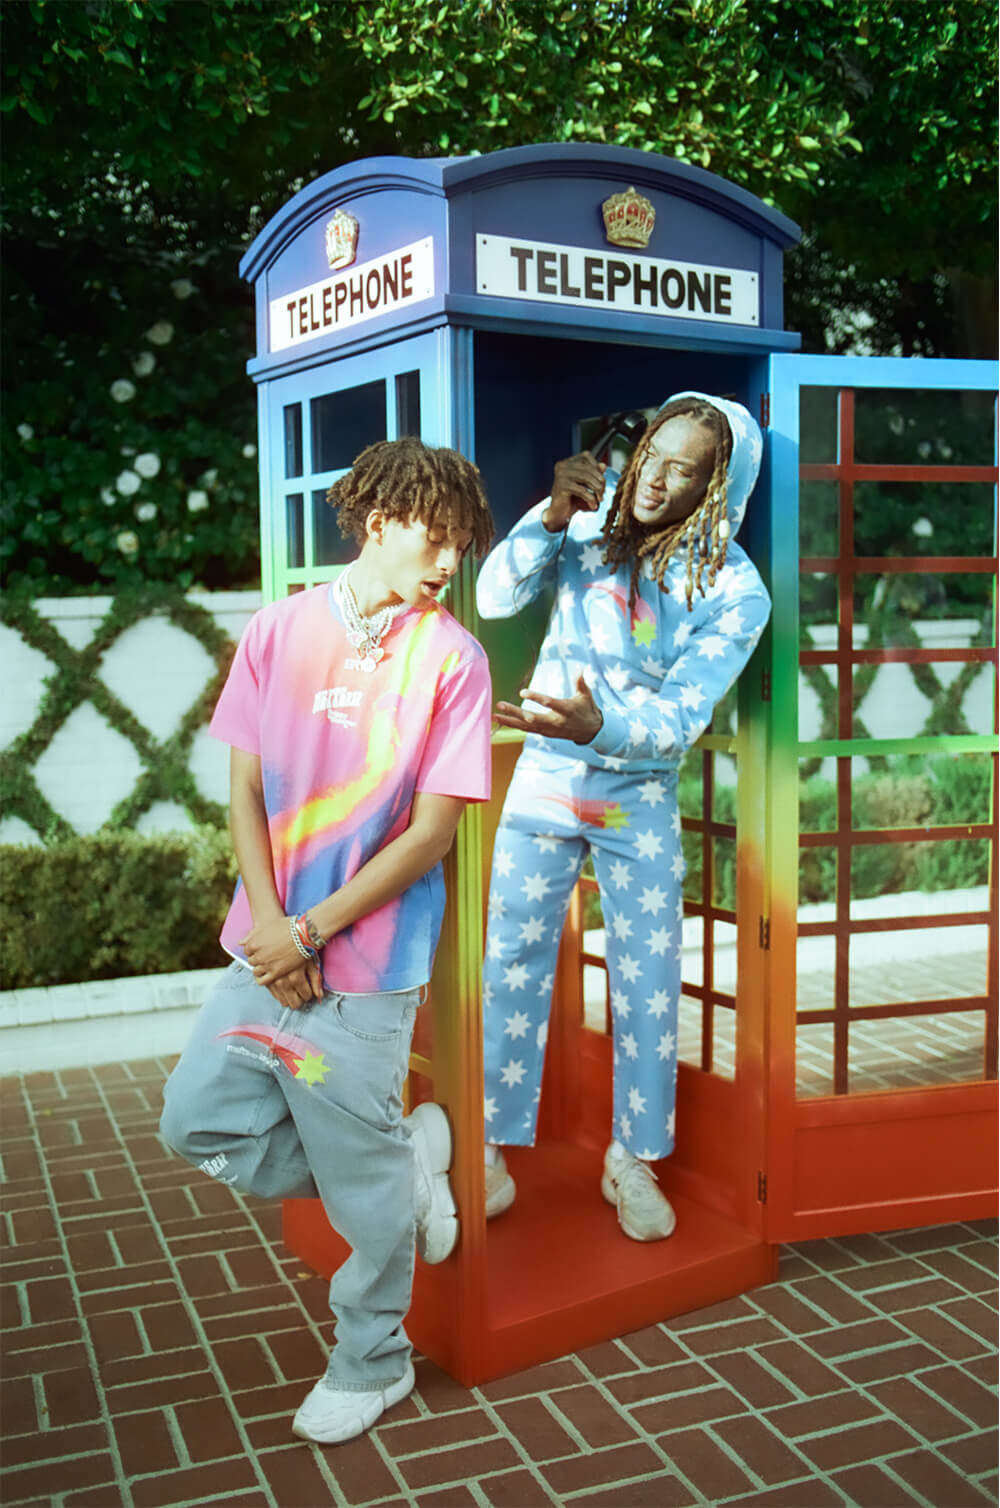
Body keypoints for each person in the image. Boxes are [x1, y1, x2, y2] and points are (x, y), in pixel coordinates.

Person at [160, 437, 494, 1444]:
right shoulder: (278, 628)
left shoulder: (454, 658)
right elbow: (247, 786)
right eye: (435, 536)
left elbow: (432, 830)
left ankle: (374, 1358)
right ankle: (399, 1172)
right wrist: (270, 924)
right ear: (381, 518)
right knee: (196, 1118)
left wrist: (311, 927)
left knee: (361, 1170)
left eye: (461, 544)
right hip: (265, 953)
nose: (447, 561)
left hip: (366, 963)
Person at [477, 391, 770, 1242]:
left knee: (646, 978)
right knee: (512, 962)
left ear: (715, 489)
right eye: (653, 460)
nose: (657, 482)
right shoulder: (588, 519)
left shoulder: (734, 588)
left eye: (686, 473)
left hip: (636, 797)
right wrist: (544, 514)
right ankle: (490, 1152)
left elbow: (683, 713)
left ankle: (632, 1159)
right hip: (543, 779)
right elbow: (494, 597)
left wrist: (598, 725)